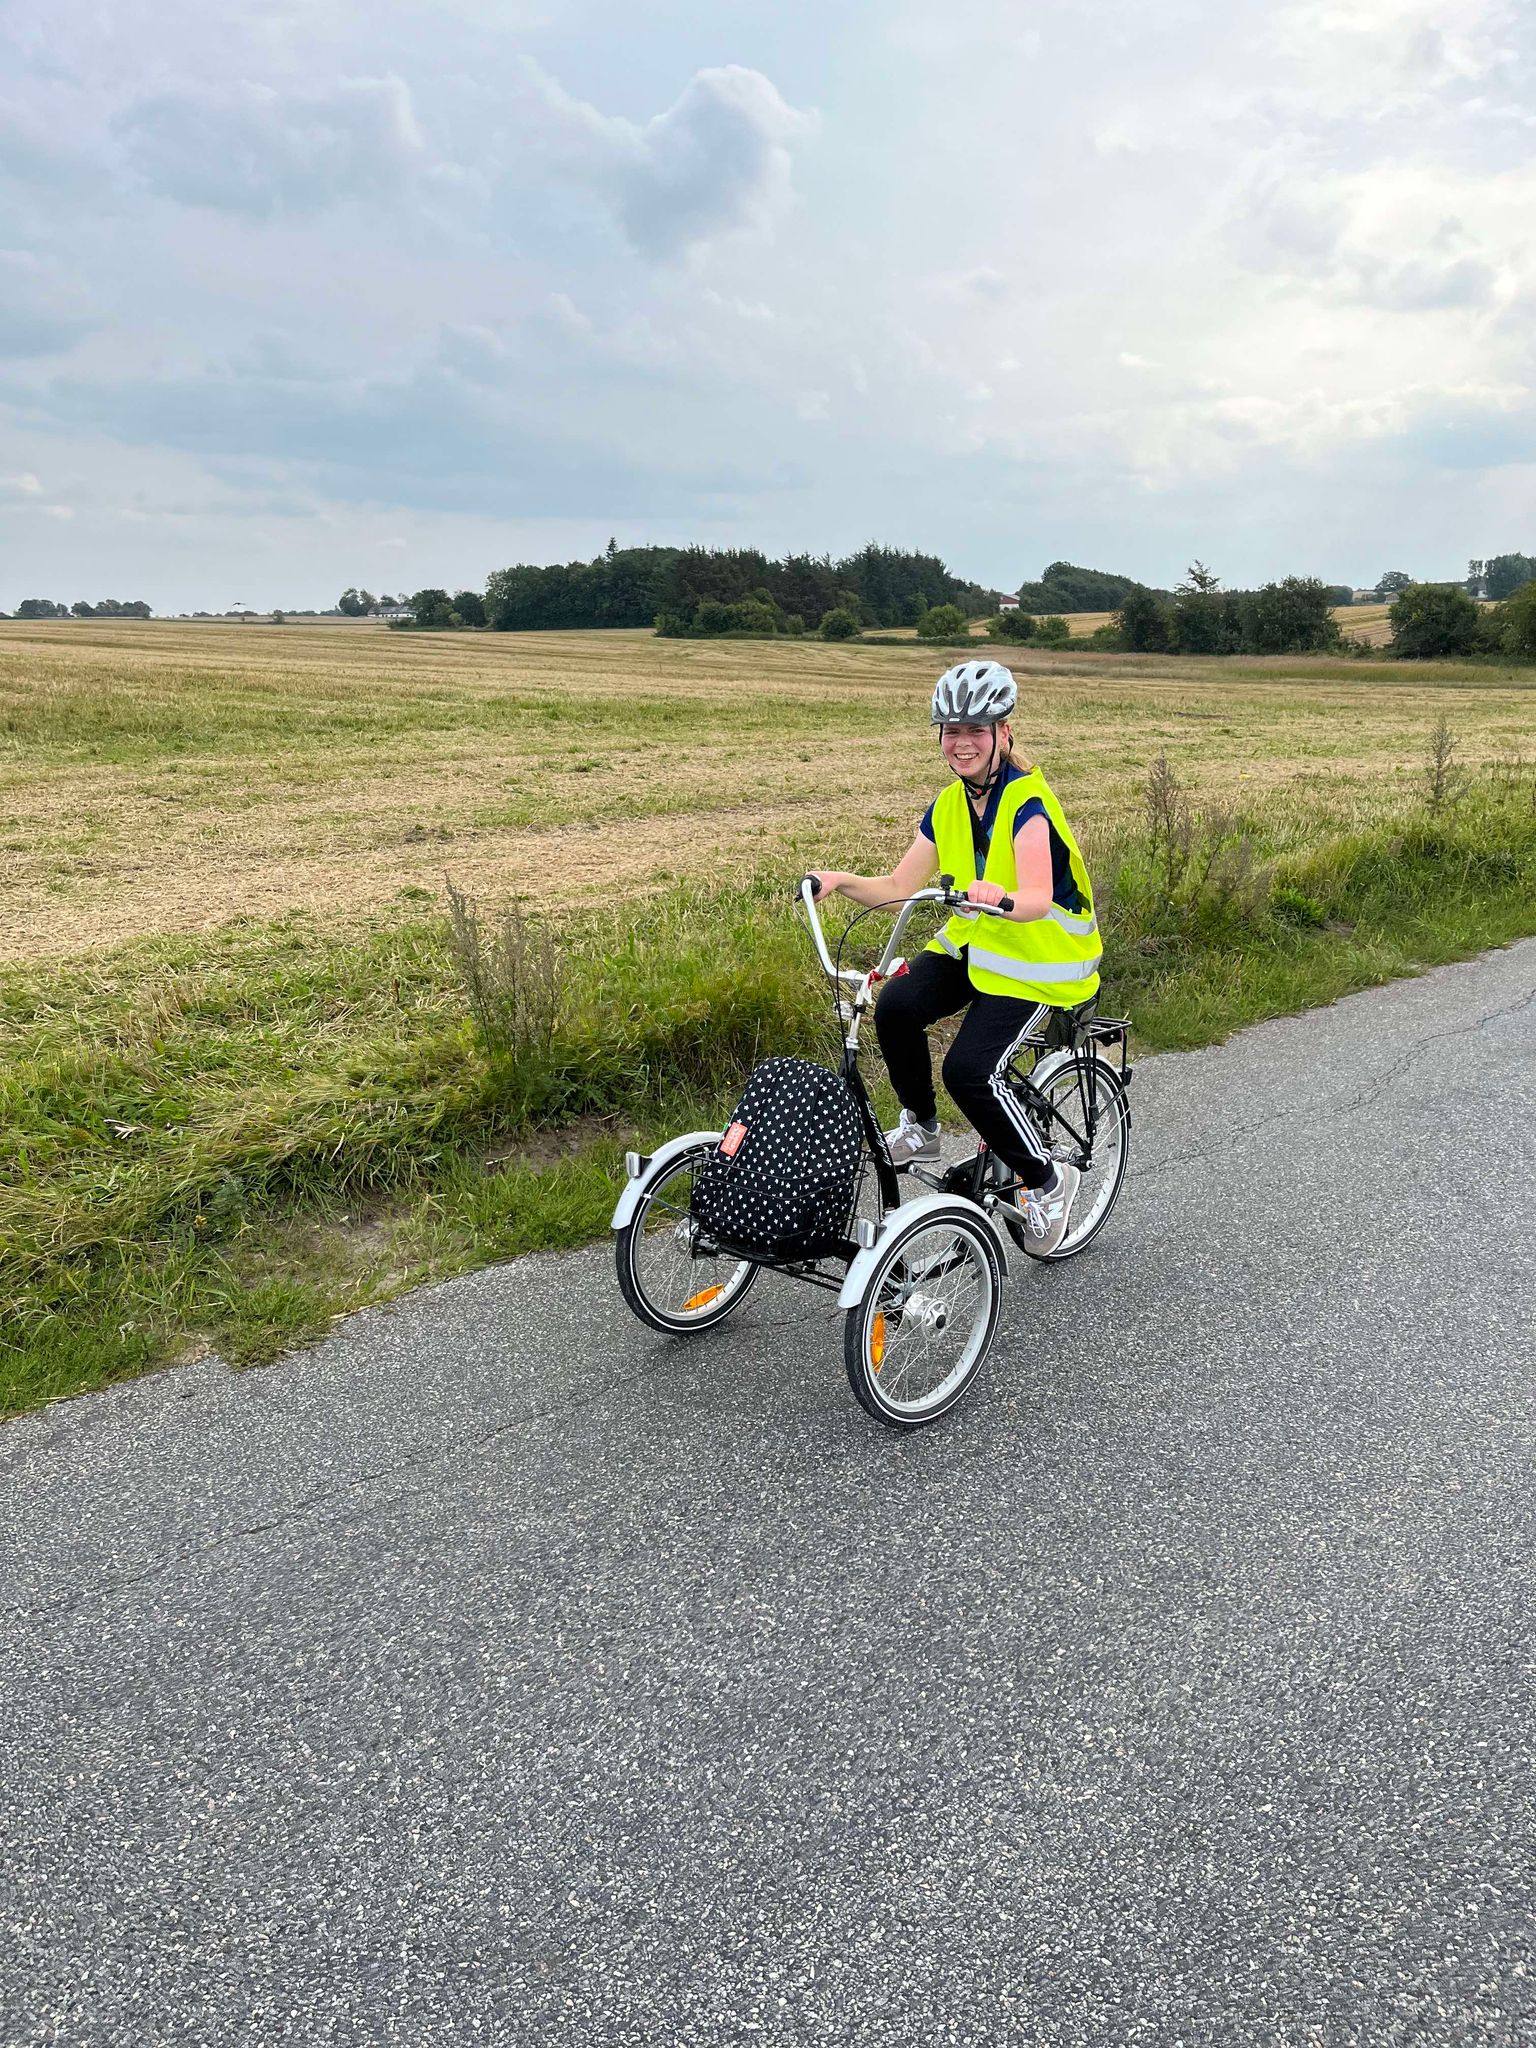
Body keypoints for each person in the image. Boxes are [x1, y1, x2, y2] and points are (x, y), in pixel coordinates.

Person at [809, 659, 1101, 1257]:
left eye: (976, 730)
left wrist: (1002, 896)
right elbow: (896, 888)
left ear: (1004, 732)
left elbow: (1039, 898)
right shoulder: (948, 805)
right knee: (894, 1004)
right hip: (979, 948)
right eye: (951, 731)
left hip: (1040, 959)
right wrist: (837, 880)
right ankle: (921, 1127)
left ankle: (1049, 1181)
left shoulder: (1029, 806)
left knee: (967, 1071)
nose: (962, 743)